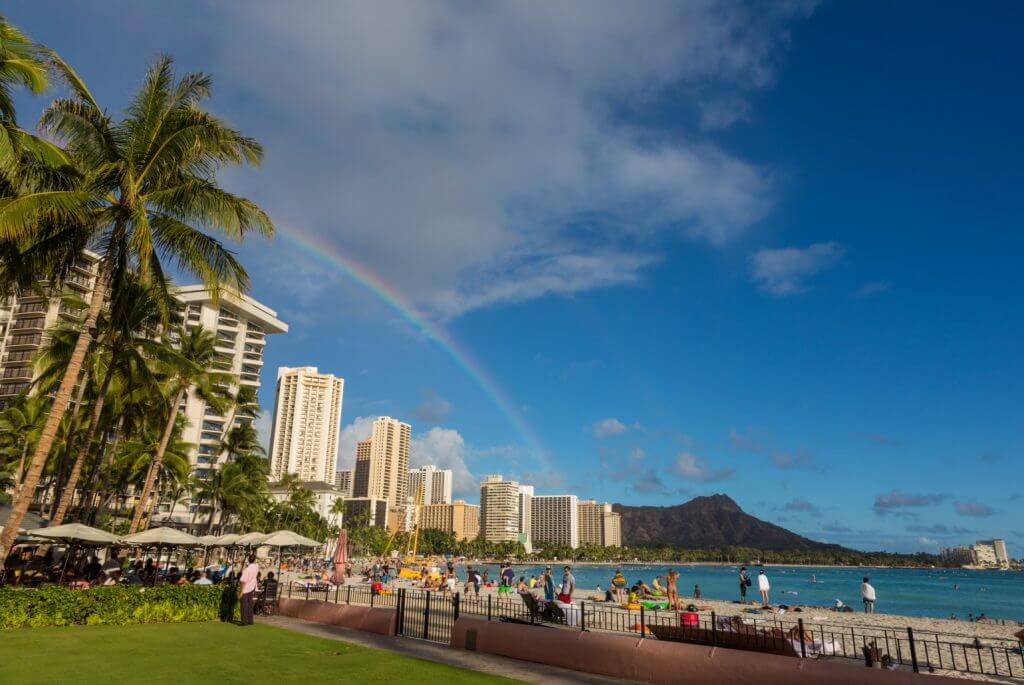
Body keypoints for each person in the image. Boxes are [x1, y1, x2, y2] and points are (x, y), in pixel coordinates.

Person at [239, 553, 260, 626]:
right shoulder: (256, 567)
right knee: (250, 605)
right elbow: (254, 563)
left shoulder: (247, 570)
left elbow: (243, 581)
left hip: (246, 588)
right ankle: (250, 620)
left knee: (244, 605)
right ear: (254, 560)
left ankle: (244, 621)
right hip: (252, 587)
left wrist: (241, 592)